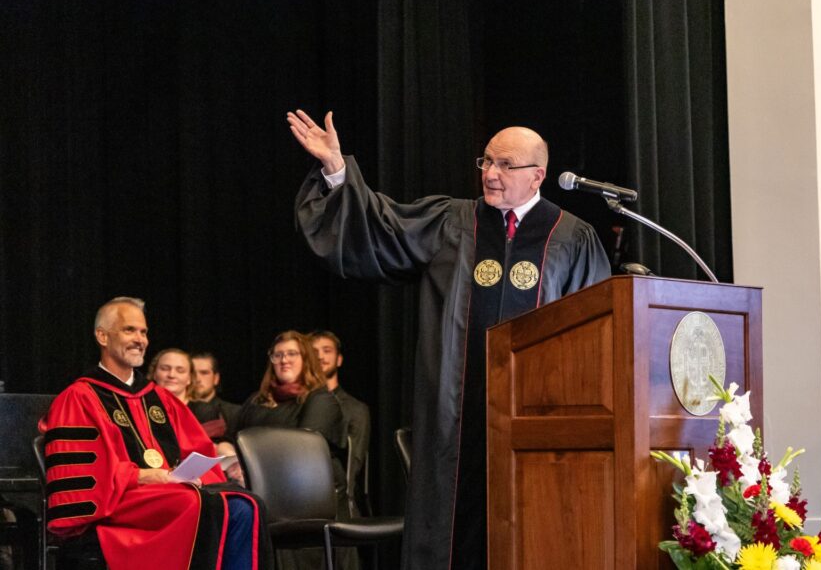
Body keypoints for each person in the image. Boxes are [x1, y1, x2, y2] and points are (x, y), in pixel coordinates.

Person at [288, 110, 611, 569]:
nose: (491, 175)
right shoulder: (452, 222)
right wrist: (337, 171)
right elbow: (379, 227)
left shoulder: (574, 238)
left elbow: (592, 332)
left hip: (538, 420)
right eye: (486, 162)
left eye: (505, 166)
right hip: (454, 418)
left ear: (538, 175)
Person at [40, 297, 272, 569]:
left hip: (168, 494)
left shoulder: (159, 398)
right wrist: (143, 475)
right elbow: (81, 477)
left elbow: (199, 449)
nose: (140, 339)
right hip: (119, 502)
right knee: (198, 504)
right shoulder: (79, 398)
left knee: (247, 504)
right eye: (129, 330)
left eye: (144, 332)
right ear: (102, 336)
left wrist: (193, 475)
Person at [234, 330, 354, 569]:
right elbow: (233, 437)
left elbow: (302, 449)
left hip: (304, 498)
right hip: (260, 493)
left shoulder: (320, 399)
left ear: (306, 358)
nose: (283, 360)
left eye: (291, 354)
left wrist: (250, 467)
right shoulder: (256, 401)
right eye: (277, 355)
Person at [310, 330, 371, 515]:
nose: (320, 356)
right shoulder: (298, 404)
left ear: (339, 359)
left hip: (338, 503)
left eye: (327, 350)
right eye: (314, 352)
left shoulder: (355, 408)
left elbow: (354, 464)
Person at [188, 352, 242, 443]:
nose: (197, 379)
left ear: (216, 378)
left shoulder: (234, 413)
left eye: (204, 373)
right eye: (192, 373)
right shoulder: (176, 411)